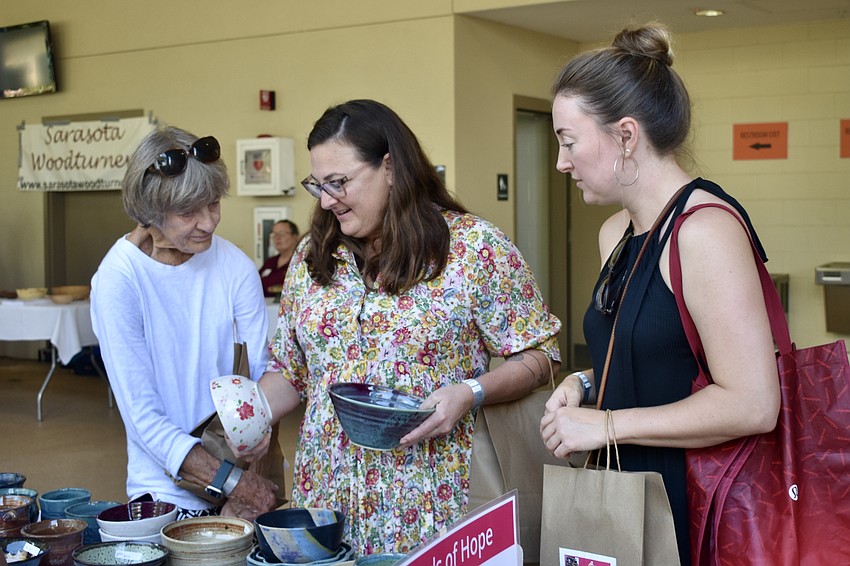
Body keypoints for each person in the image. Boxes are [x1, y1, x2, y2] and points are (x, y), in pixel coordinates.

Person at [255, 99, 562, 555]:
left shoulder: (472, 249)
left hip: (432, 499)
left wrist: (470, 393)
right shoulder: (312, 256)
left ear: (391, 167)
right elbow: (292, 371)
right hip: (327, 502)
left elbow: (541, 356)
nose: (324, 200)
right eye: (317, 185)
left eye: (339, 182)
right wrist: (249, 416)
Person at [538, 24, 781, 565]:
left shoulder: (704, 231)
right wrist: (586, 383)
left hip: (699, 500)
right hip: (629, 496)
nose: (561, 162)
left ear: (626, 136)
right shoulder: (615, 234)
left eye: (569, 141)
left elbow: (754, 403)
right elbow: (656, 358)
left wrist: (604, 426)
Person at [90, 125, 278, 521]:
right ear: (149, 213)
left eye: (213, 204)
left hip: (246, 477)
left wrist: (250, 469)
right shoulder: (119, 281)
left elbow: (263, 377)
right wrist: (232, 483)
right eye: (188, 212)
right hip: (162, 491)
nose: (208, 223)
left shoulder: (236, 269)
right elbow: (142, 417)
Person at [259, 219, 300, 297]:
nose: (277, 238)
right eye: (274, 234)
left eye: (282, 233)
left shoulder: (300, 262)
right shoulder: (270, 262)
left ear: (295, 237)